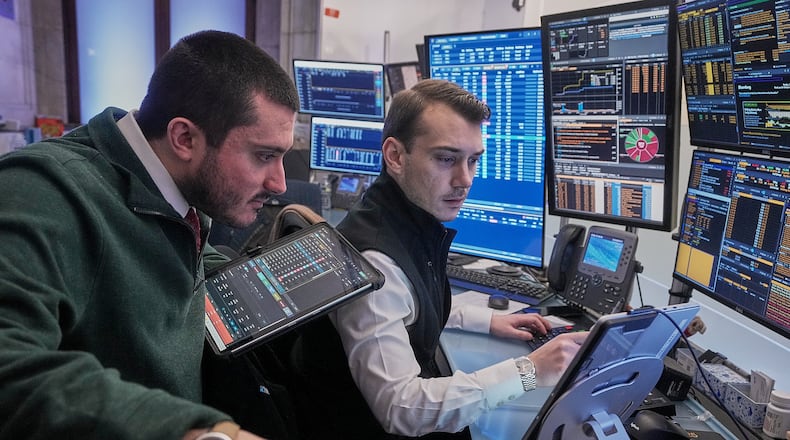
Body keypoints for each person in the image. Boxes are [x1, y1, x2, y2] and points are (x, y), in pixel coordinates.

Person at [0, 30, 299, 440]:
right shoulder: (43, 192)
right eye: (264, 156)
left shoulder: (177, 184)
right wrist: (198, 433)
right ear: (184, 138)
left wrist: (273, 275)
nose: (280, 183)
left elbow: (170, 241)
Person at [290, 79, 588, 439]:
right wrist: (531, 370)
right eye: (446, 159)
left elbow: (408, 307)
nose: (465, 180)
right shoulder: (375, 262)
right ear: (396, 156)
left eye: (473, 160)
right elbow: (401, 408)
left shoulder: (400, 219)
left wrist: (487, 321)